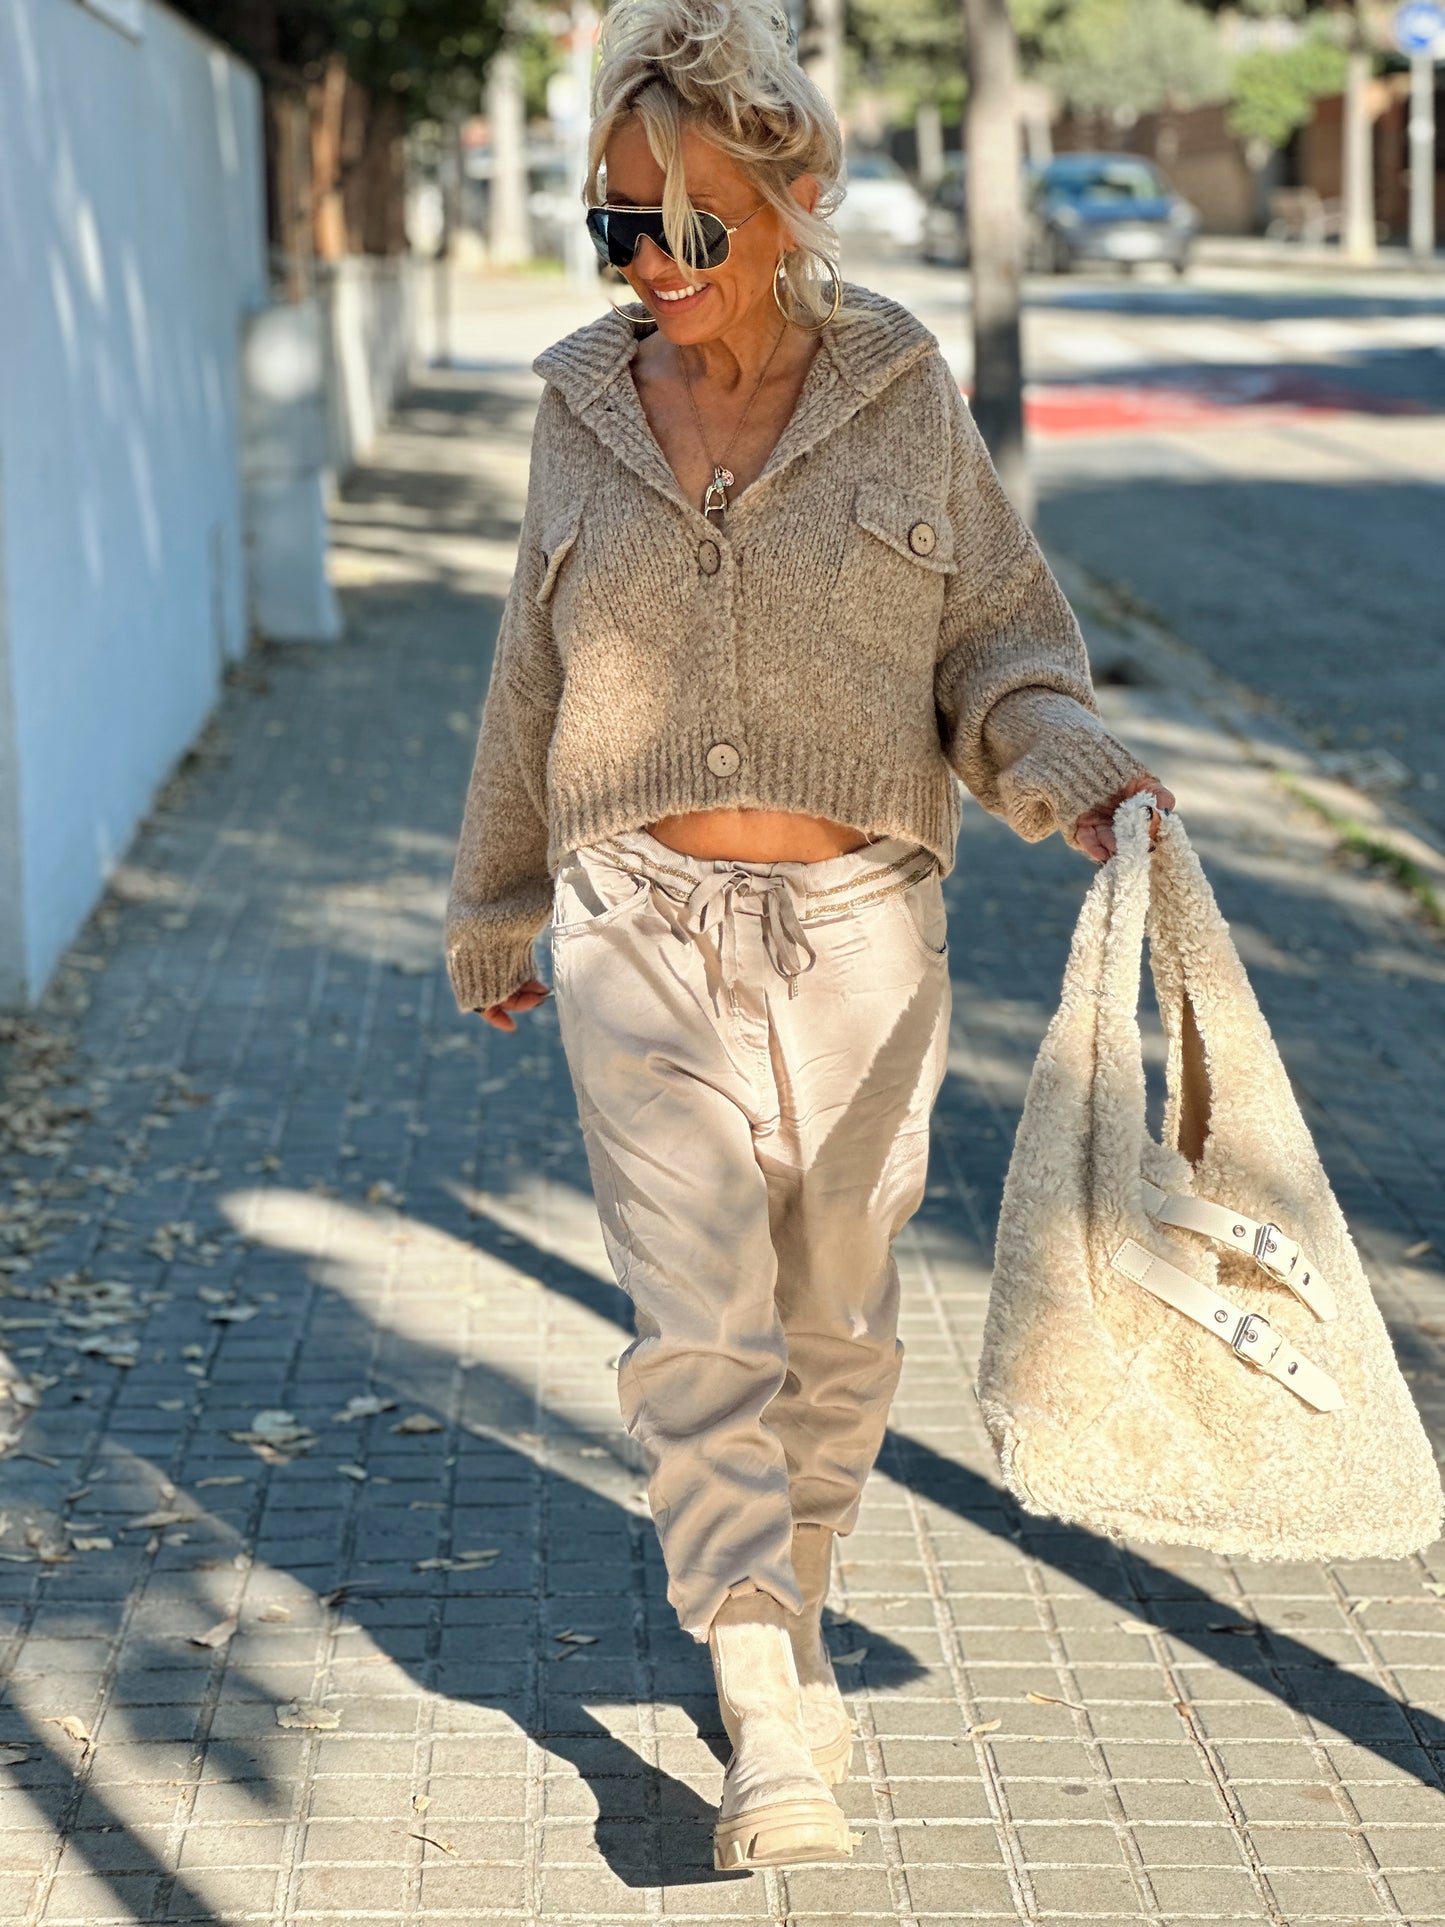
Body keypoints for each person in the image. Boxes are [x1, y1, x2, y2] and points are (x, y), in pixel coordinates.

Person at [445, 0, 1174, 1873]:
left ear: (790, 206)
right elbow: (530, 668)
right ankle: (763, 1695)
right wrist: (502, 903)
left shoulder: (897, 392)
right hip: (636, 923)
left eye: (691, 224)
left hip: (861, 927)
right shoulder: (579, 407)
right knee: (699, 1323)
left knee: (833, 1318)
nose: (652, 265)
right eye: (618, 223)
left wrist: (1072, 771)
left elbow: (996, 642)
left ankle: (796, 1581)